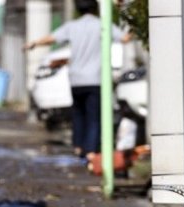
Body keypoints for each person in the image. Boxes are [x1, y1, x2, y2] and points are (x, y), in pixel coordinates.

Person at [24, 0, 130, 162]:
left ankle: (79, 146)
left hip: (75, 79)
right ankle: (90, 151)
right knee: (94, 117)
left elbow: (52, 38)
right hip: (95, 78)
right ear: (95, 8)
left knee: (79, 114)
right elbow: (124, 38)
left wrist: (34, 43)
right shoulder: (102, 24)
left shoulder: (72, 26)